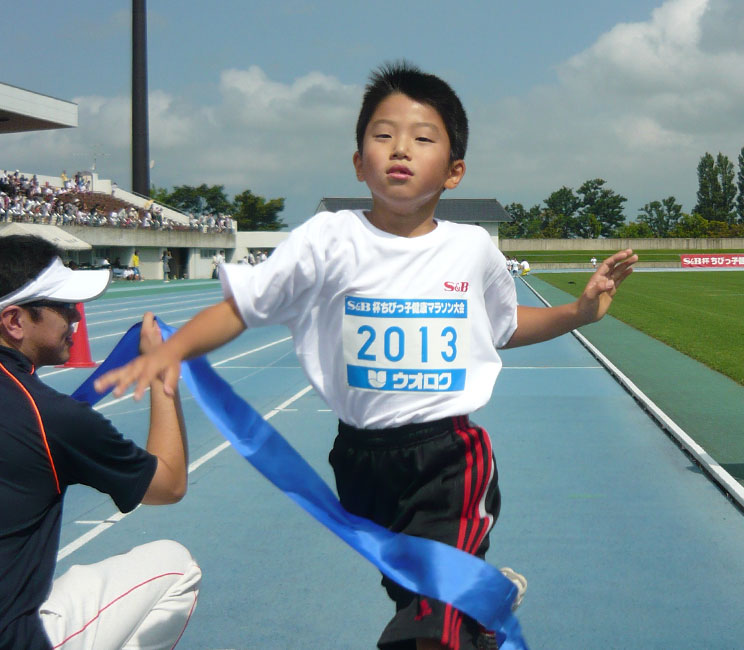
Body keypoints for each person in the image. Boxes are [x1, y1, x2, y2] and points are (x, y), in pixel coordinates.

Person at [94, 61, 637, 650]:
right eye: (383, 135)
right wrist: (173, 350)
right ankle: (479, 599)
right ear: (358, 161)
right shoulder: (329, 239)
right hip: (359, 462)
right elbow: (241, 307)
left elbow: (502, 327)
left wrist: (579, 314)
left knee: (426, 628)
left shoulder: (471, 248)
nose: (400, 148)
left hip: (448, 459)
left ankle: (466, 600)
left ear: (454, 171)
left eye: (423, 138)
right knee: (417, 596)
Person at [0, 235, 200, 649]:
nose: (77, 316)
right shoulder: (50, 417)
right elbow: (168, 484)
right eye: (63, 307)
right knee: (175, 566)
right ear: (15, 321)